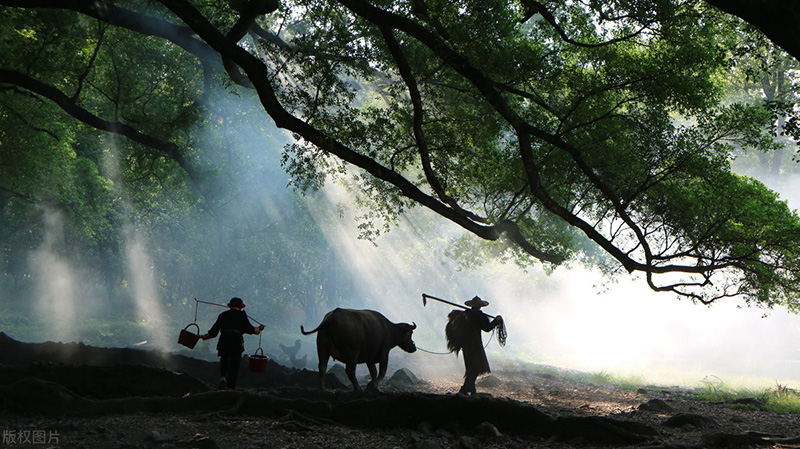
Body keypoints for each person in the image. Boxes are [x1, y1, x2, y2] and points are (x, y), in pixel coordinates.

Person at [201, 297, 264, 390]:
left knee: (224, 360)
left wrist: (203, 336)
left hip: (224, 341)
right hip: (236, 342)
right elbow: (251, 330)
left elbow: (213, 332)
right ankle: (231, 387)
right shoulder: (242, 315)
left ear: (230, 306)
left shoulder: (223, 315)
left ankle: (223, 377)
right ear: (241, 306)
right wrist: (260, 328)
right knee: (235, 364)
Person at [445, 296, 503, 395]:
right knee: (475, 369)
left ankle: (473, 393)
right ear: (480, 307)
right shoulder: (479, 316)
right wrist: (496, 321)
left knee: (471, 368)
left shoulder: (465, 315)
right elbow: (487, 328)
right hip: (475, 345)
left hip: (465, 345)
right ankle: (463, 391)